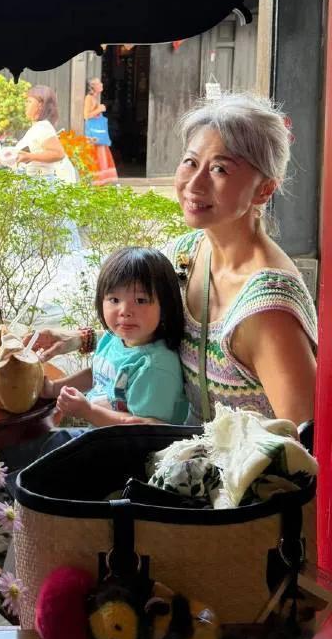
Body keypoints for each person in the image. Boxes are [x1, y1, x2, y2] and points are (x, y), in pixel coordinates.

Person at [28, 93, 318, 427]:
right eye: (191, 162)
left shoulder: (268, 310)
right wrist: (78, 339)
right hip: (168, 448)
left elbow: (304, 441)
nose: (194, 183)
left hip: (214, 460)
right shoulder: (185, 255)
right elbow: (145, 330)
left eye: (220, 169)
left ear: (264, 190)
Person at [44, 247, 187, 428]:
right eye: (114, 300)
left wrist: (88, 411)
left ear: (166, 305)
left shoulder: (155, 367)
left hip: (134, 444)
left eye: (141, 300)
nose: (125, 311)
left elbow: (148, 427)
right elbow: (98, 374)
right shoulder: (113, 338)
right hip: (101, 435)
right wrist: (54, 389)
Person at [0, 84, 77, 184]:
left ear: (40, 105)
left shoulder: (43, 127)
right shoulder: (36, 127)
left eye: (29, 101)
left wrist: (31, 157)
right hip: (33, 183)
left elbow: (58, 154)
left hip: (41, 184)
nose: (25, 105)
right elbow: (19, 156)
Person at [83, 77, 118, 185]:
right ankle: (95, 181)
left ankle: (101, 182)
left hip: (98, 132)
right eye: (99, 83)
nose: (102, 84)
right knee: (96, 155)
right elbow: (86, 116)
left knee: (101, 154)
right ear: (93, 87)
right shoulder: (89, 98)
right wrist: (99, 109)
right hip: (93, 133)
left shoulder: (95, 98)